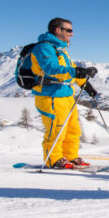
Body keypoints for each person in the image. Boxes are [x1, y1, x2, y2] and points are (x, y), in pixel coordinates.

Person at [31, 17, 99, 169]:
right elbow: (52, 69)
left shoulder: (61, 50)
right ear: (58, 30)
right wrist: (77, 71)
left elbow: (72, 70)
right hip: (51, 96)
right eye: (69, 30)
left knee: (73, 129)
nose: (72, 34)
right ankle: (53, 159)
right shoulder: (44, 48)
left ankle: (70, 156)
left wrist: (86, 85)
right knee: (57, 129)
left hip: (66, 96)